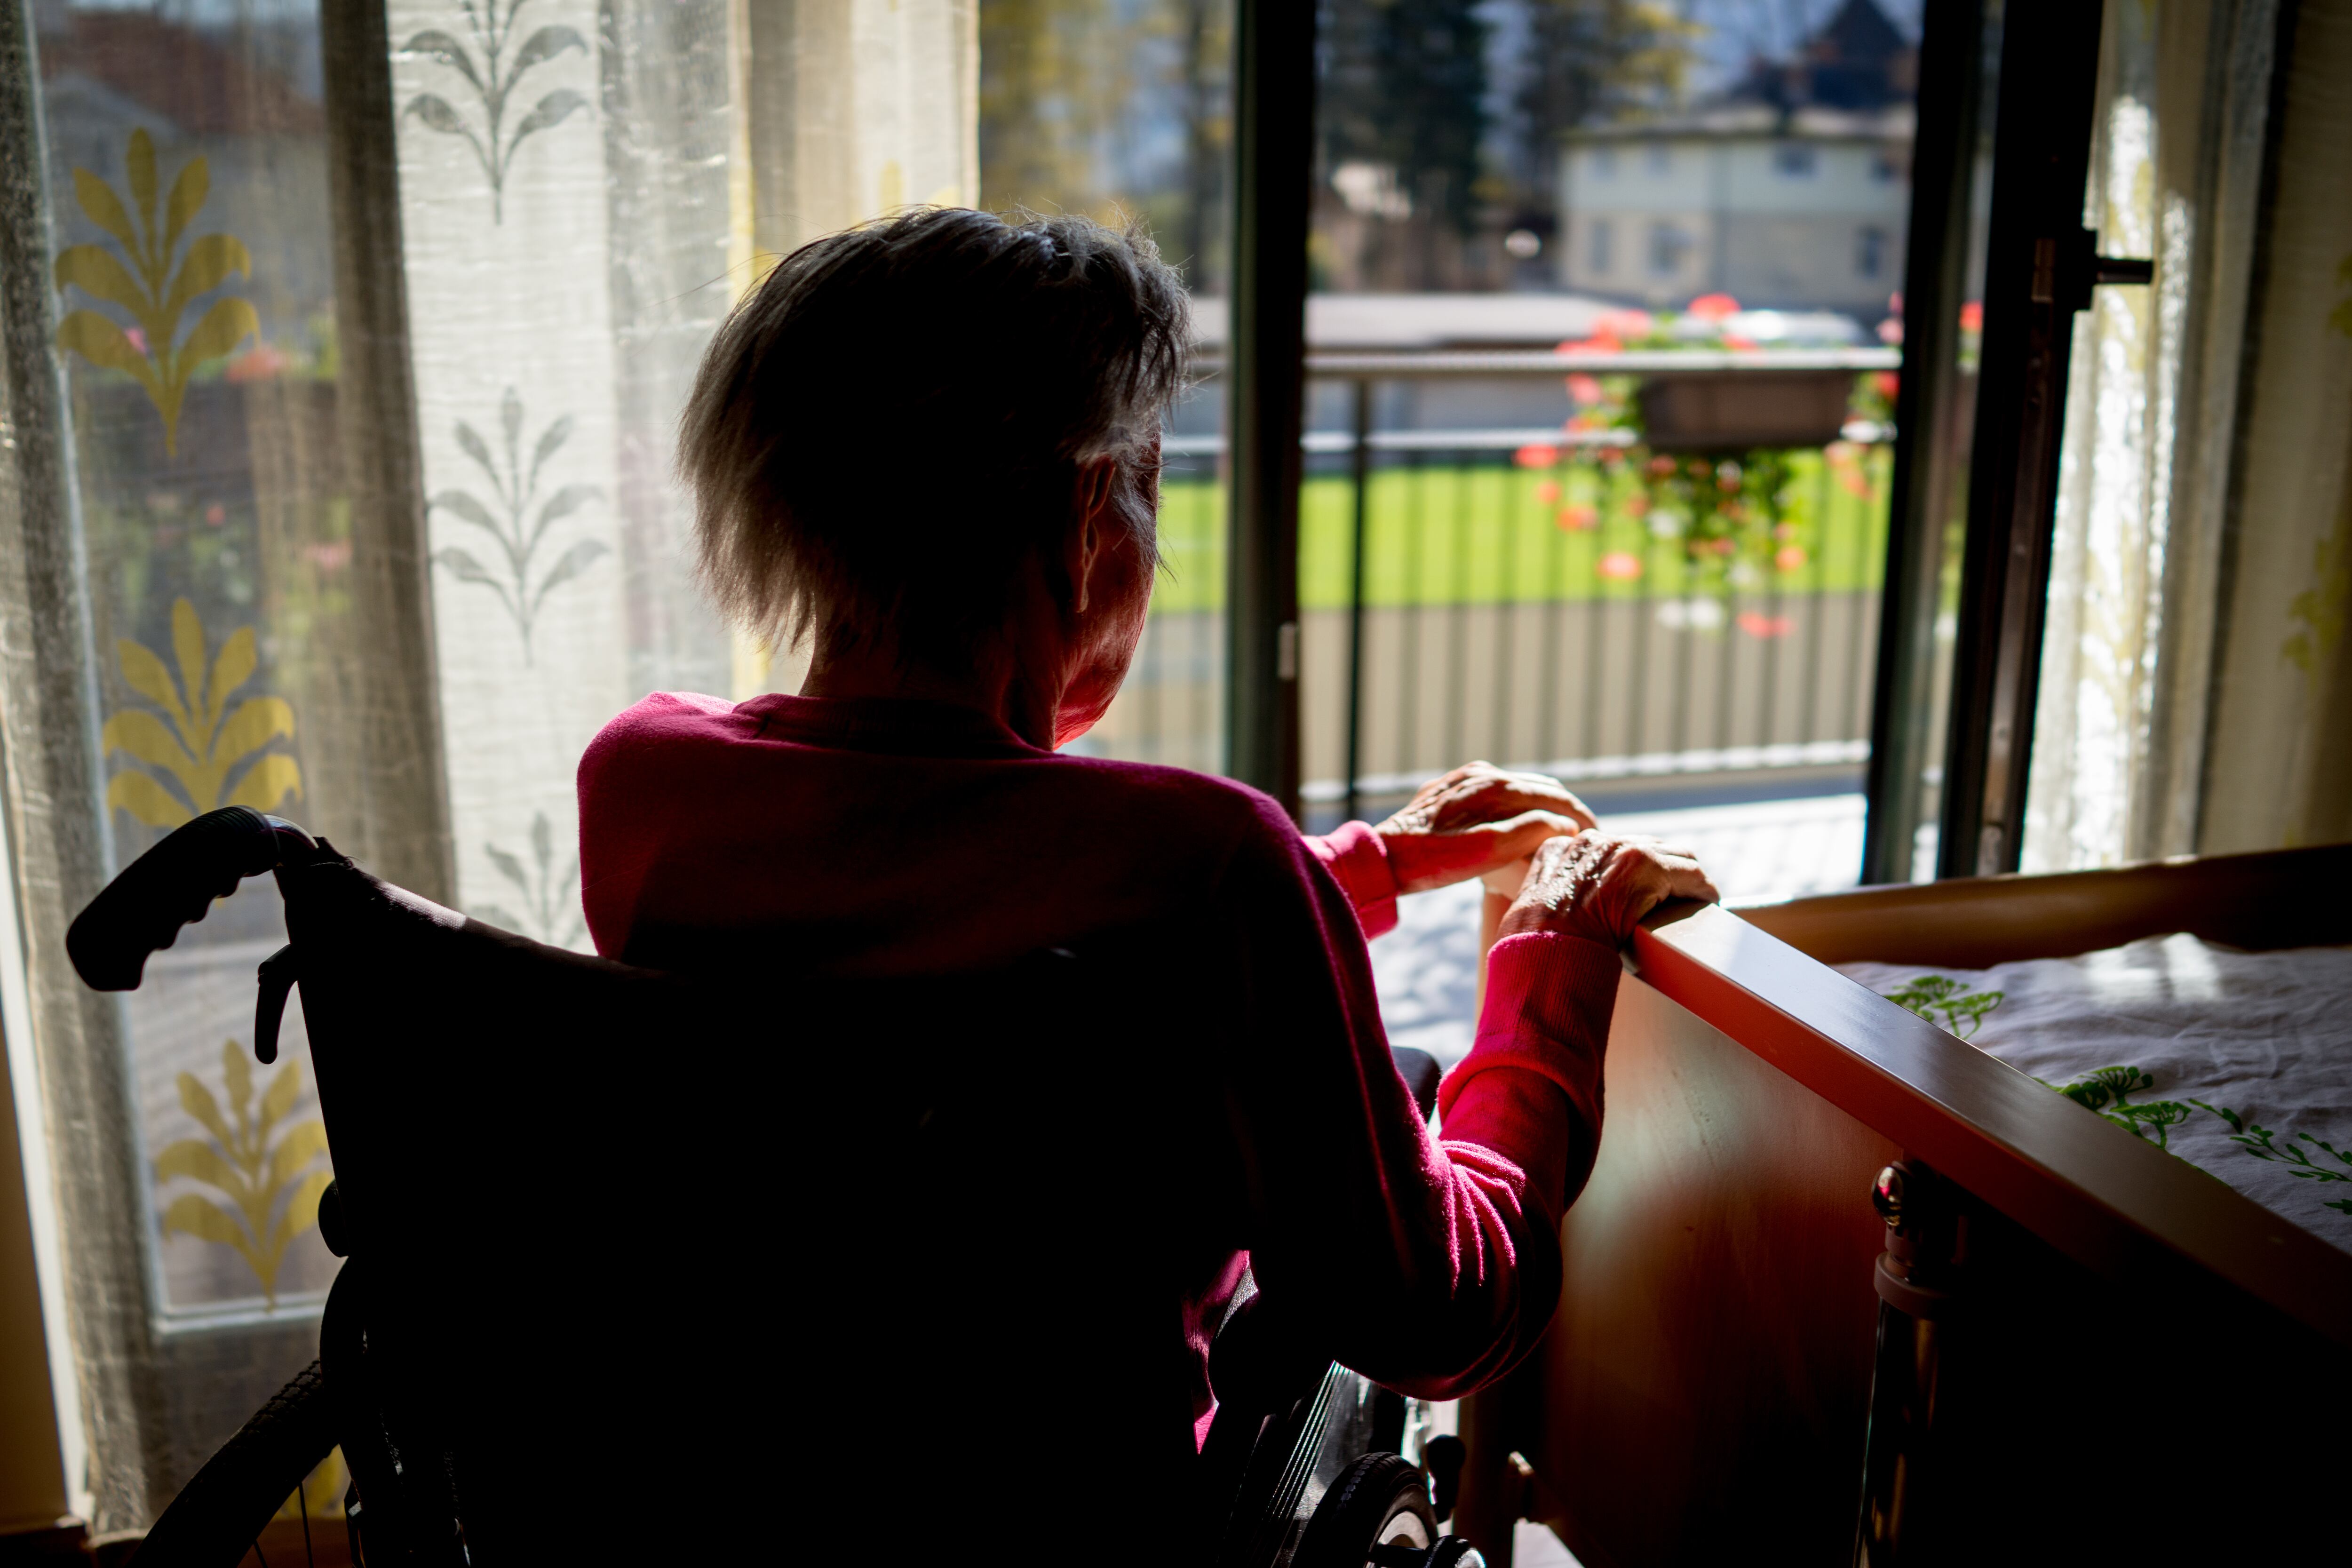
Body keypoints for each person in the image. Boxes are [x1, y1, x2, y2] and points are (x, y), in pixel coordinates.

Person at [575, 207, 1714, 1544]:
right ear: (1081, 513)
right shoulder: (1209, 867)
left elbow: (913, 905)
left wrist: (1361, 869)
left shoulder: (646, 785)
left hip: (731, 1488)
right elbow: (1435, 1318)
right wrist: (1546, 965)